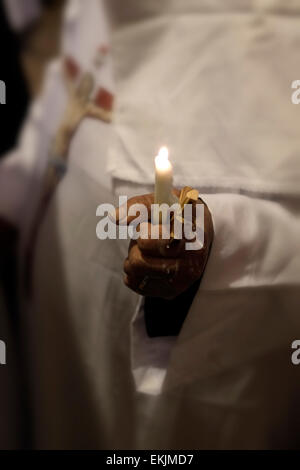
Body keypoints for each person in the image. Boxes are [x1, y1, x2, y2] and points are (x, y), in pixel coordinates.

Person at [0, 0, 300, 449]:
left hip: (205, 353)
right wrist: (18, 193)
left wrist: (224, 240)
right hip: (61, 306)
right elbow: (73, 92)